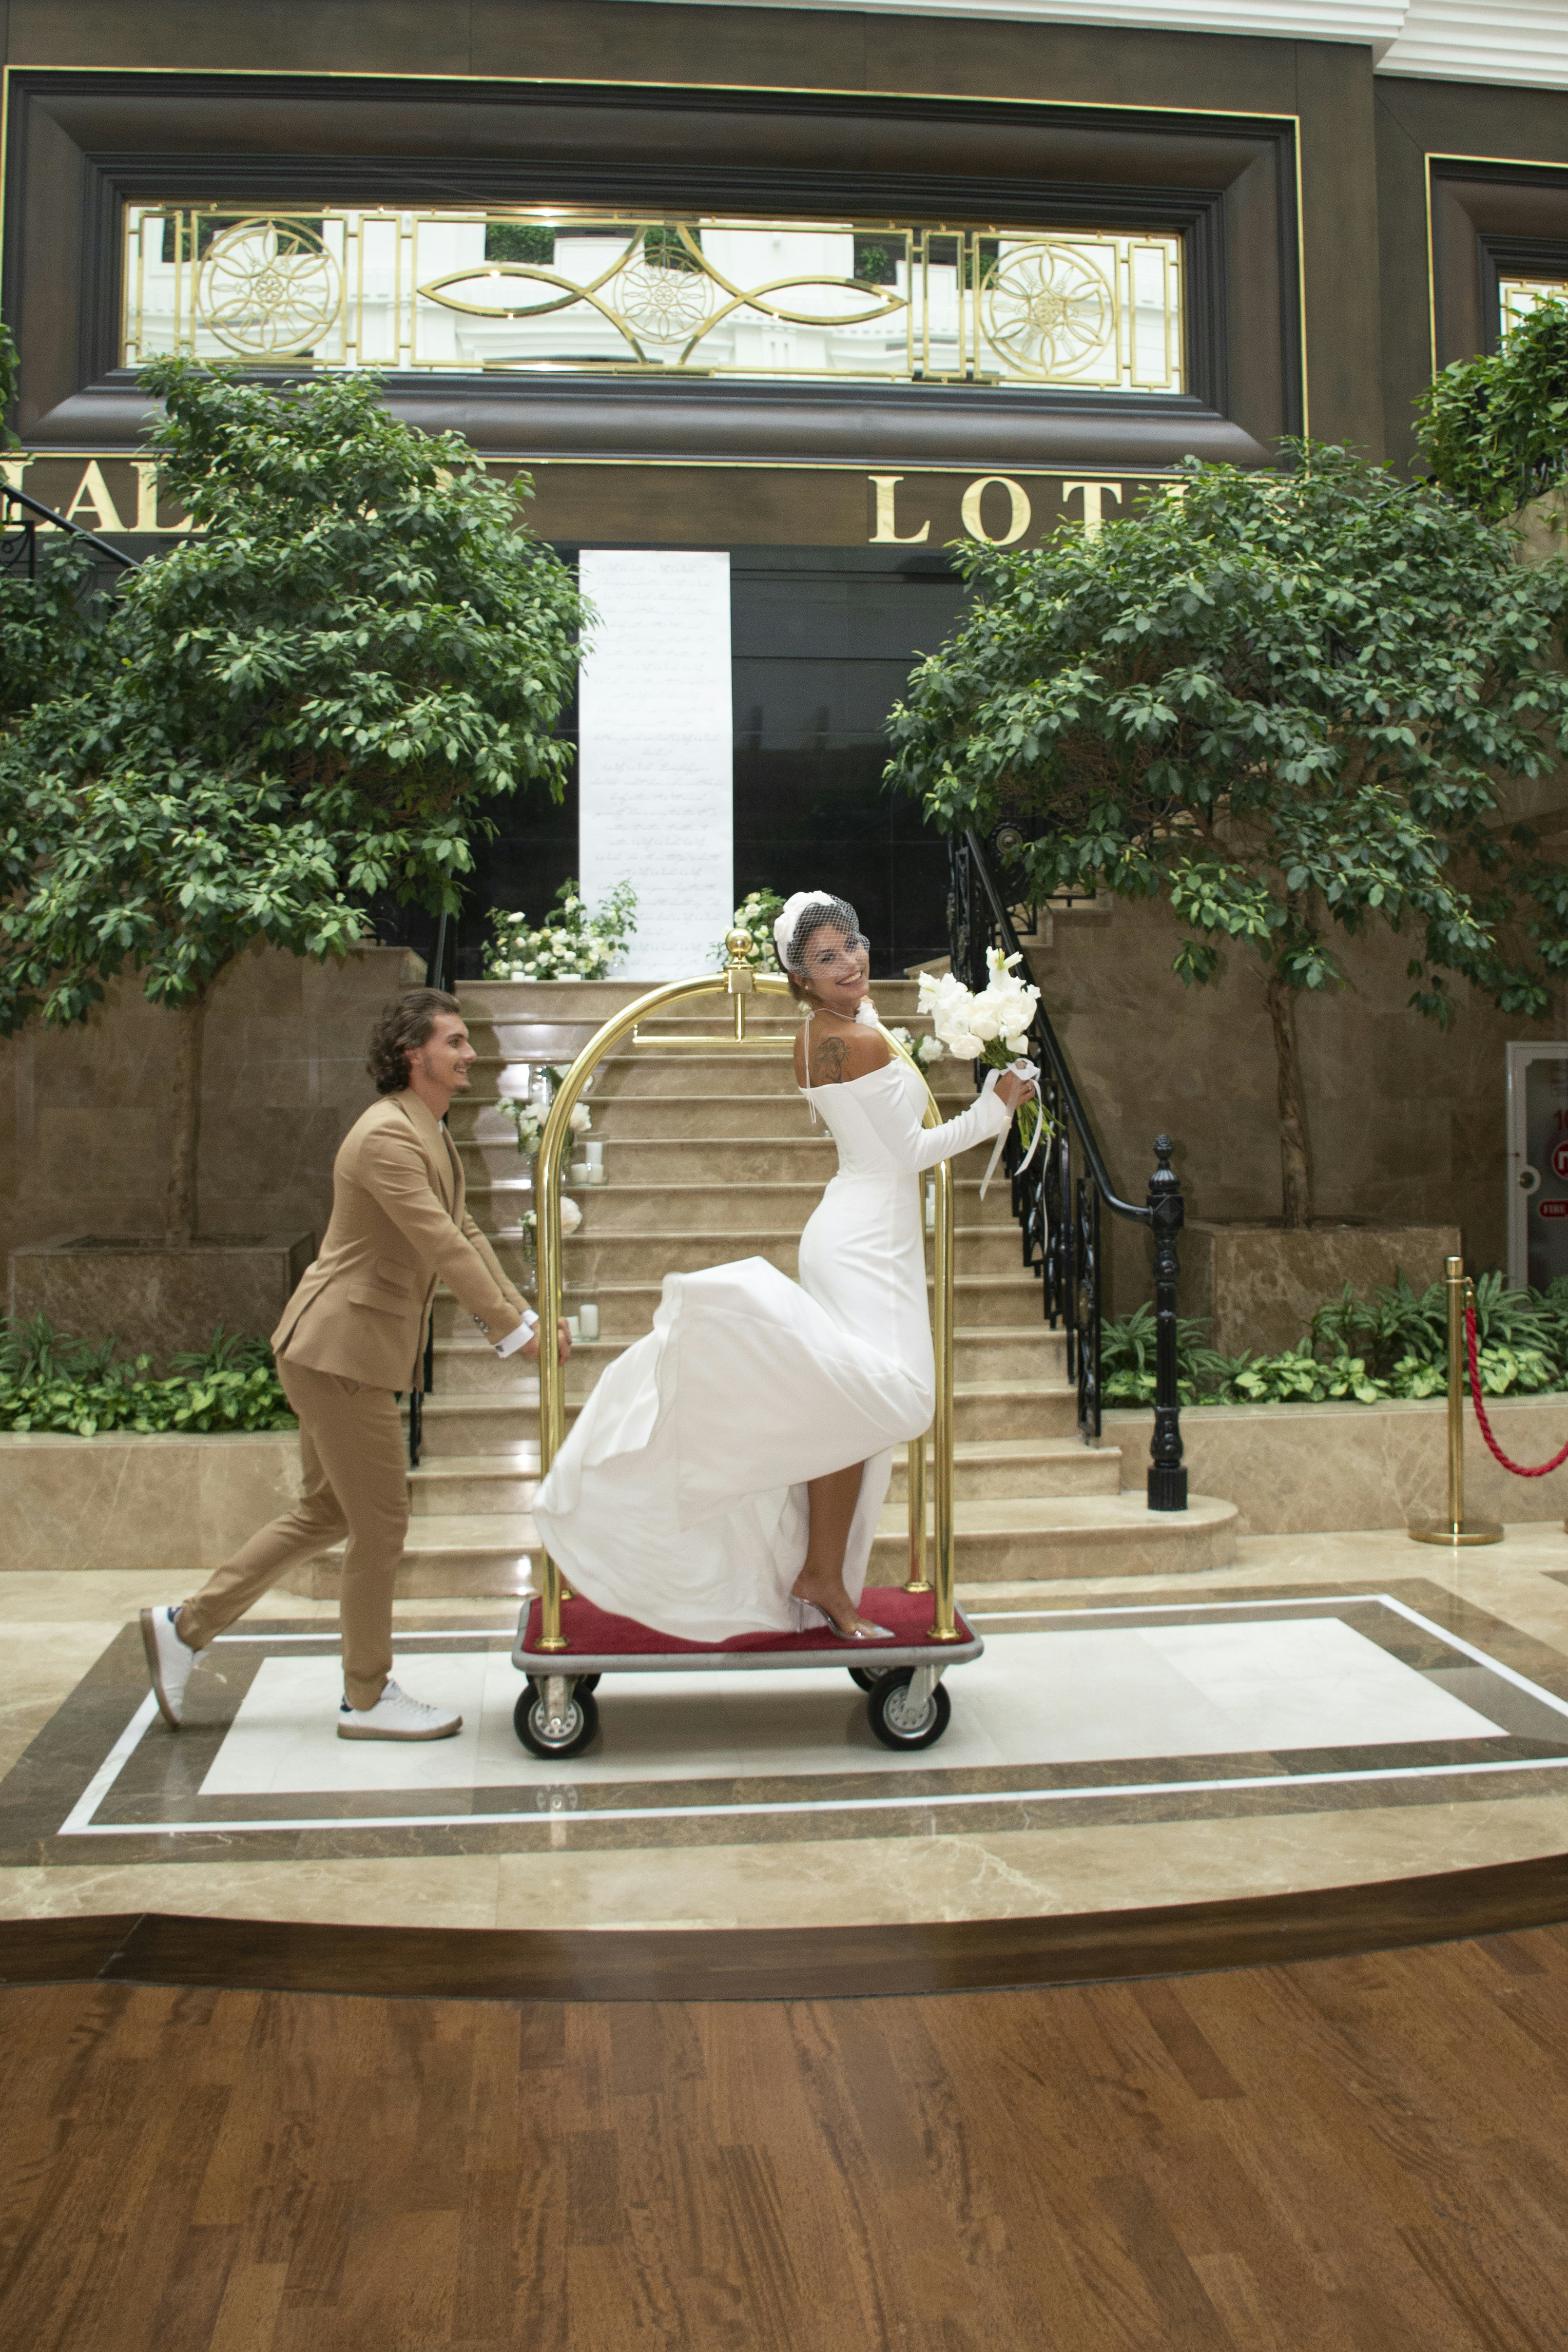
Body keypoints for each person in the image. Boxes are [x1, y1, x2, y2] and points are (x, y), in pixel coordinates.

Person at [532, 890, 1034, 1642]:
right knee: (894, 1400)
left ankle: (821, 1573)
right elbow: (908, 1154)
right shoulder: (853, 1040)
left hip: (863, 1230)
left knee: (848, 1405)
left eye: (852, 945)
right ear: (798, 976)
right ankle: (821, 1572)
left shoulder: (832, 1030)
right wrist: (995, 1109)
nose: (849, 963)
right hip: (866, 1238)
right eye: (825, 957)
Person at [140, 987, 569, 1741]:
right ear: (415, 1054)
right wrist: (517, 1331)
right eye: (456, 1042)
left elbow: (463, 1231)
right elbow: (438, 1242)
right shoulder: (384, 1135)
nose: (471, 1054)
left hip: (342, 1351)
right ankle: (366, 1697)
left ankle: (185, 1626)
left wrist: (522, 1317)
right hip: (339, 1351)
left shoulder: (427, 1128)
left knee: (327, 1512)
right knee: (380, 1527)